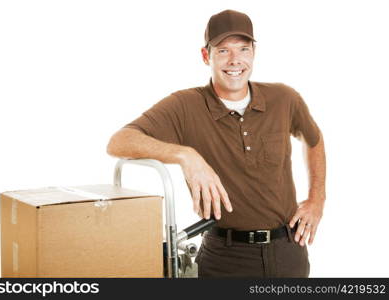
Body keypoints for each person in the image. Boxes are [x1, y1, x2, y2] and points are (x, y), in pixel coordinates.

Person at [106, 9, 326, 278]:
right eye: (223, 50)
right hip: (225, 257)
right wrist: (185, 156)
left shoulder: (284, 98)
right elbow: (119, 141)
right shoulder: (185, 105)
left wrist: (317, 199)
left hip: (289, 252)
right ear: (205, 55)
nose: (235, 60)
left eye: (243, 49)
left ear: (253, 53)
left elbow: (313, 140)